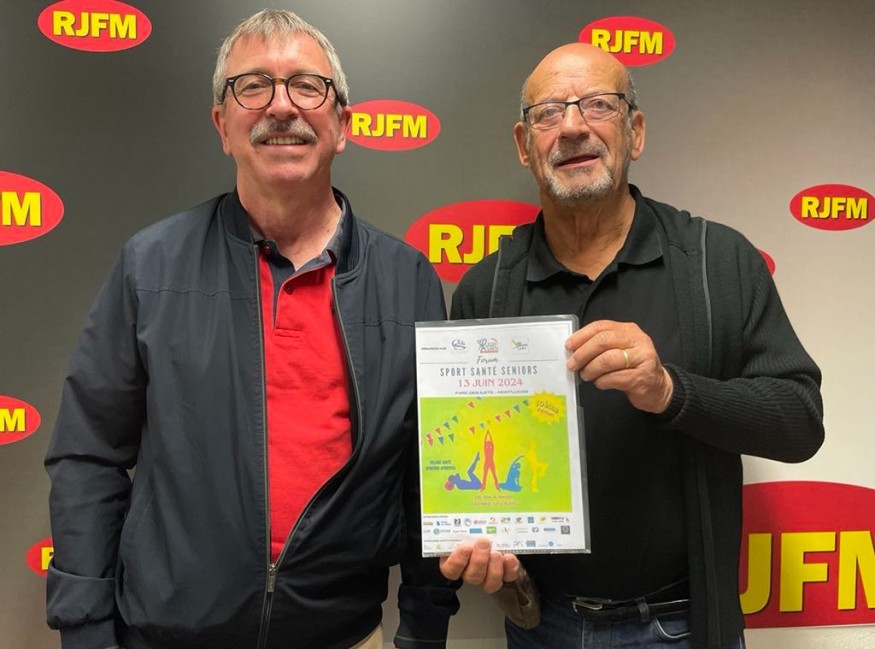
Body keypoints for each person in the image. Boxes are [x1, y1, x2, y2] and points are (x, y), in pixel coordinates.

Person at [44, 9, 458, 649]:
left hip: (344, 636)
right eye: (254, 85)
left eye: (307, 86)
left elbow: (427, 477)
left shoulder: (409, 281)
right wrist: (85, 629)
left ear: (342, 125)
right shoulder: (151, 267)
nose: (282, 107)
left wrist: (425, 629)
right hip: (168, 636)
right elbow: (88, 456)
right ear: (222, 125)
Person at [440, 42, 824, 649]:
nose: (572, 127)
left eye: (598, 105)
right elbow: (468, 470)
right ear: (524, 145)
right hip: (543, 627)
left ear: (635, 131)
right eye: (548, 113)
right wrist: (489, 553)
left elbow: (800, 423)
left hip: (682, 626)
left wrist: (670, 391)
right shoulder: (485, 291)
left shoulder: (717, 263)